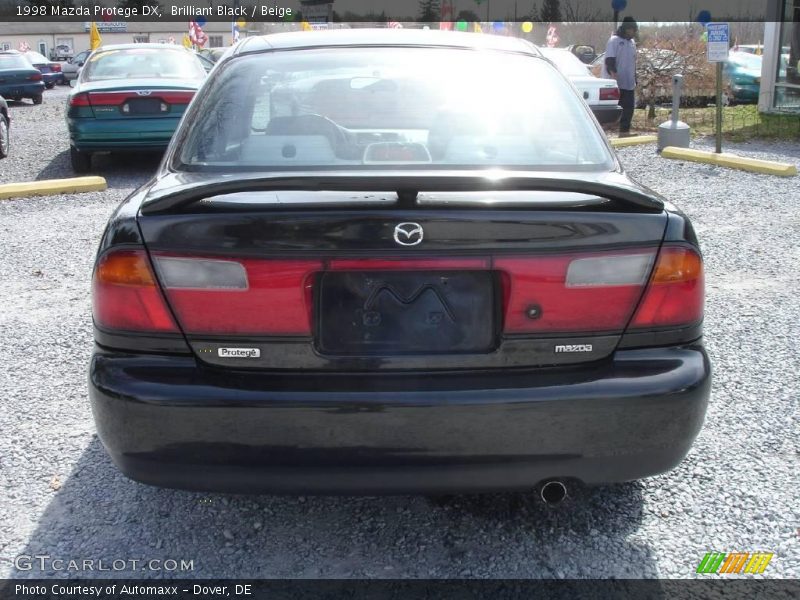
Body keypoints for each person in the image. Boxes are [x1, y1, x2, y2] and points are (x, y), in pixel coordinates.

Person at [602, 16, 638, 137]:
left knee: (628, 109)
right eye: (631, 30)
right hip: (615, 81)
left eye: (634, 30)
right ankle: (603, 132)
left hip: (629, 82)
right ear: (626, 29)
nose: (633, 33)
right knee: (612, 109)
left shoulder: (632, 43)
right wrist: (613, 73)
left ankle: (624, 132)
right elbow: (610, 59)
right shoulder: (614, 40)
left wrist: (635, 78)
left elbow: (633, 62)